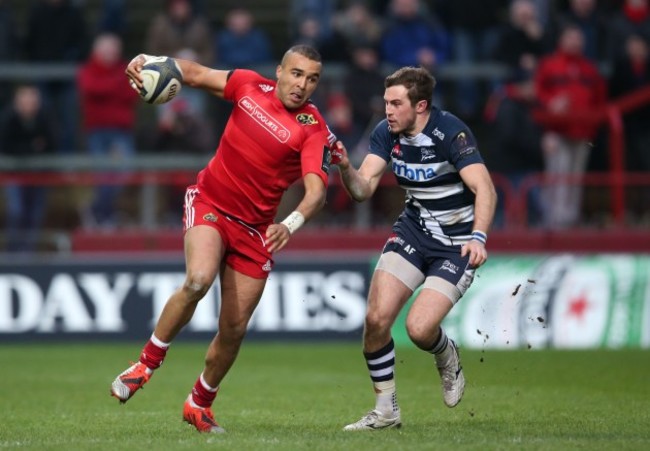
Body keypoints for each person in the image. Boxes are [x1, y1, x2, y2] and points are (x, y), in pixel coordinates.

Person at [110, 44, 337, 433]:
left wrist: (292, 222)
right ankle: (145, 364)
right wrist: (148, 62)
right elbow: (194, 73)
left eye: (312, 79)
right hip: (211, 202)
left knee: (233, 329)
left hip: (255, 231)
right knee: (198, 278)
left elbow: (316, 191)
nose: (302, 85)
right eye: (297, 74)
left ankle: (199, 403)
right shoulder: (248, 86)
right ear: (280, 71)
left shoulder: (312, 127)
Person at [331, 66, 497, 430]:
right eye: (386, 102)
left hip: (457, 245)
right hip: (414, 232)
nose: (387, 110)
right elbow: (363, 190)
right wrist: (345, 166)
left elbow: (485, 188)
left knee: (419, 330)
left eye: (395, 103)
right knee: (375, 320)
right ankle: (385, 411)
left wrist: (479, 237)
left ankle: (446, 353)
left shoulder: (450, 132)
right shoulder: (385, 133)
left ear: (420, 105)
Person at [77, 33, 139, 227]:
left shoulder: (125, 69)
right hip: (97, 131)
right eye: (106, 48)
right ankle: (104, 215)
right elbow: (92, 89)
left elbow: (133, 93)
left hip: (121, 131)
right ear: (97, 50)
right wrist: (116, 84)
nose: (110, 53)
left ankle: (96, 209)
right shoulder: (88, 70)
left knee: (124, 171)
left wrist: (110, 87)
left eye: (113, 49)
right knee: (102, 175)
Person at [0, 85, 57, 251]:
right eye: (25, 100)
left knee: (35, 214)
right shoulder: (8, 119)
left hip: (38, 176)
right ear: (17, 102)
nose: (29, 104)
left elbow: (52, 144)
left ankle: (28, 252)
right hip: (14, 175)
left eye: (32, 100)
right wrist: (32, 147)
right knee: (16, 211)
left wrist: (27, 148)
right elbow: (6, 146)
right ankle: (13, 251)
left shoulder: (44, 118)